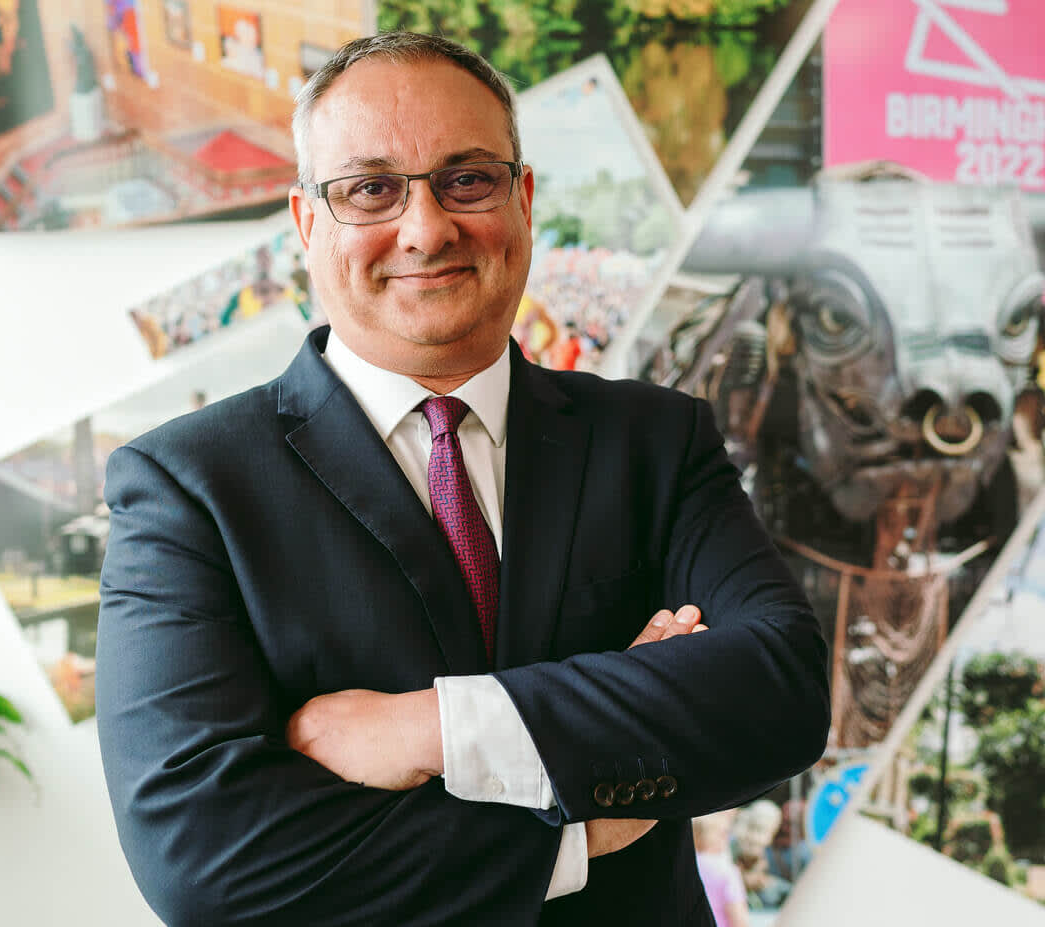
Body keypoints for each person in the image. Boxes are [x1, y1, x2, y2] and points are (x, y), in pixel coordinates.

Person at [95, 31, 830, 927]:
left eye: (467, 179)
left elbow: (780, 694)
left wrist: (428, 728)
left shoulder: (656, 438)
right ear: (306, 223)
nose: (426, 227)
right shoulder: (186, 485)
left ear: (521, 199)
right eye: (370, 188)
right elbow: (204, 857)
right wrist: (577, 832)